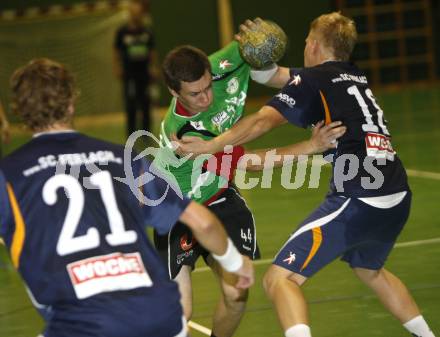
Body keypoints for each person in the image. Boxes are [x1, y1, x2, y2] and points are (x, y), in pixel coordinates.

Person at [174, 13, 436, 337]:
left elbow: (262, 122)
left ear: (312, 45)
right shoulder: (351, 76)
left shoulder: (314, 81)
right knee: (370, 269)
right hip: (396, 194)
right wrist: (255, 53)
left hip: (359, 194)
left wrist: (211, 145)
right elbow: (275, 76)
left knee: (279, 279)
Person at [0, 58, 254, 337]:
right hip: (160, 316)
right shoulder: (123, 157)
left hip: (82, 323)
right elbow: (203, 224)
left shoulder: (11, 174)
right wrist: (234, 264)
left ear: (18, 113)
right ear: (72, 103)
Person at [154, 41, 344, 337]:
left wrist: (261, 40)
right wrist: (311, 145)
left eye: (207, 87)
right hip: (178, 209)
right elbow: (253, 163)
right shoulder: (186, 133)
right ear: (174, 92)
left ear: (210, 71)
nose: (205, 99)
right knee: (181, 311)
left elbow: (250, 46)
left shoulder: (223, 64)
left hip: (219, 198)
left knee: (237, 294)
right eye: (194, 94)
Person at [113, 0, 158, 136]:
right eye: (134, 11)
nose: (136, 14)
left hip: (144, 73)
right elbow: (116, 52)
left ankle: (145, 130)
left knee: (145, 102)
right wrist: (116, 67)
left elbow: (152, 52)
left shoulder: (147, 32)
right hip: (129, 74)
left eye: (139, 12)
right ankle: (131, 132)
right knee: (130, 103)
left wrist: (154, 67)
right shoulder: (122, 32)